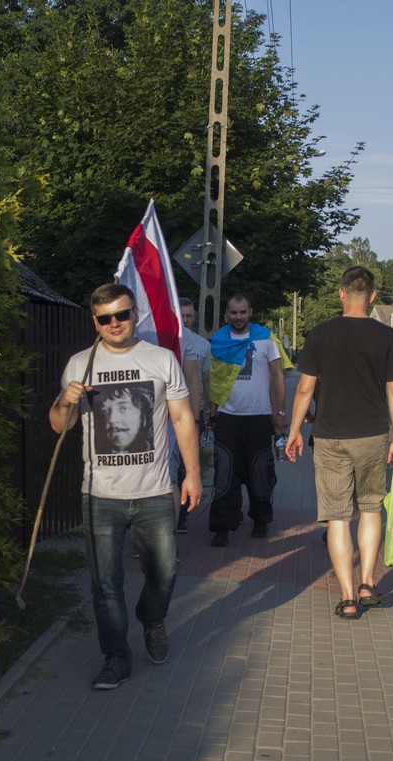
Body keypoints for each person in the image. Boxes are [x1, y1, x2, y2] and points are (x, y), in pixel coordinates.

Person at [50, 283, 202, 689]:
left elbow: (182, 418)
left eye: (122, 314)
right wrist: (65, 401)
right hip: (100, 496)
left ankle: (152, 618)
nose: (114, 323)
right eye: (105, 318)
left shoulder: (160, 359)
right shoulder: (79, 365)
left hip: (154, 492)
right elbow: (60, 426)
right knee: (105, 584)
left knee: (164, 573)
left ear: (136, 314)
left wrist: (192, 473)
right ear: (95, 321)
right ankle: (115, 658)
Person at [285, 266, 393, 620]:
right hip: (373, 435)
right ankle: (368, 583)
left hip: (330, 436)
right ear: (372, 296)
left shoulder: (320, 334)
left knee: (338, 517)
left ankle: (349, 598)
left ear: (341, 293)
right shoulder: (388, 337)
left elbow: (305, 388)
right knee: (370, 508)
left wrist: (294, 430)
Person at [207, 292, 288, 546]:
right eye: (234, 312)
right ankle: (222, 526)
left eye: (243, 312)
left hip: (259, 417)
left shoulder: (266, 339)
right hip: (228, 417)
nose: (238, 317)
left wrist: (280, 413)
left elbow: (278, 376)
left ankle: (261, 519)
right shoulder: (218, 341)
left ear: (250, 312)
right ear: (226, 315)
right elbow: (214, 381)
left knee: (260, 472)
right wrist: (212, 414)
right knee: (225, 472)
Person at [174, 297, 211, 532]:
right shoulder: (168, 339)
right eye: (181, 316)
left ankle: (182, 515)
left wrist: (207, 412)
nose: (185, 320)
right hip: (170, 412)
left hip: (193, 412)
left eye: (189, 316)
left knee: (186, 464)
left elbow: (205, 380)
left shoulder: (202, 345)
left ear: (194, 317)